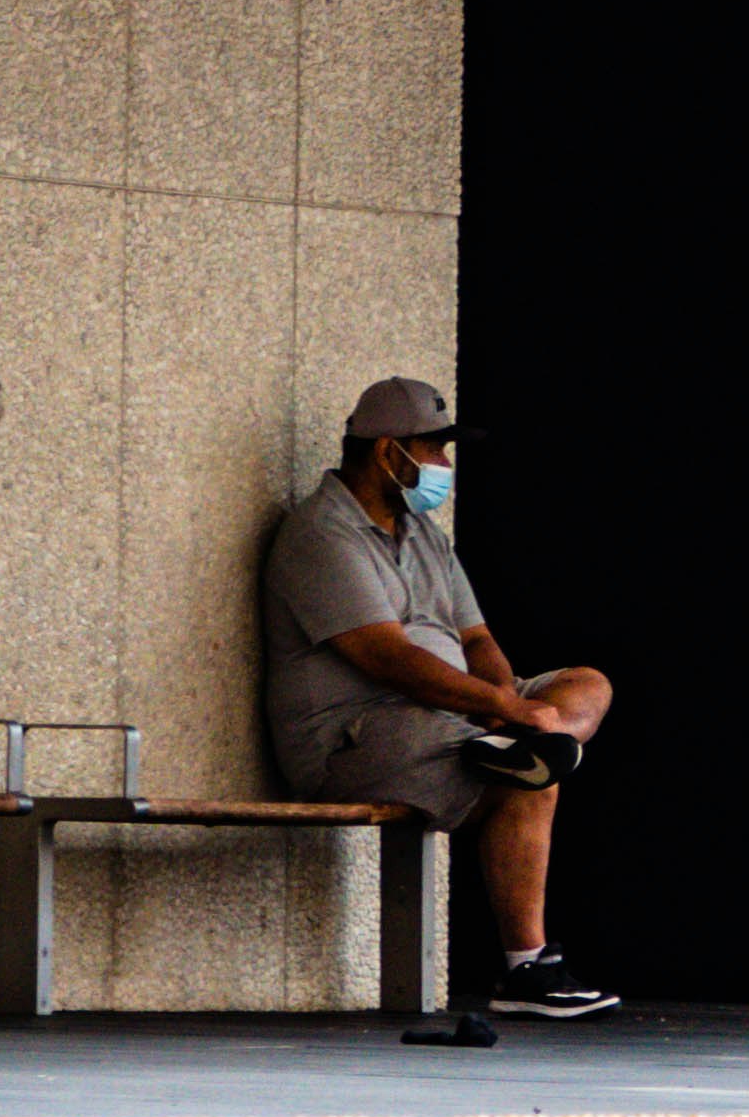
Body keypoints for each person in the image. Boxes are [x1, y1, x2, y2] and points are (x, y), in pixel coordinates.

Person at [260, 379, 618, 1021]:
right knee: (530, 781)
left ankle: (512, 748)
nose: (444, 467)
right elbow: (385, 658)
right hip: (353, 737)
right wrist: (509, 714)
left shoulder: (424, 533)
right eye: (435, 450)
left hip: (453, 715)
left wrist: (503, 698)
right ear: (388, 451)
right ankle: (527, 967)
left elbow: (476, 636)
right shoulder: (320, 533)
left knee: (586, 685)